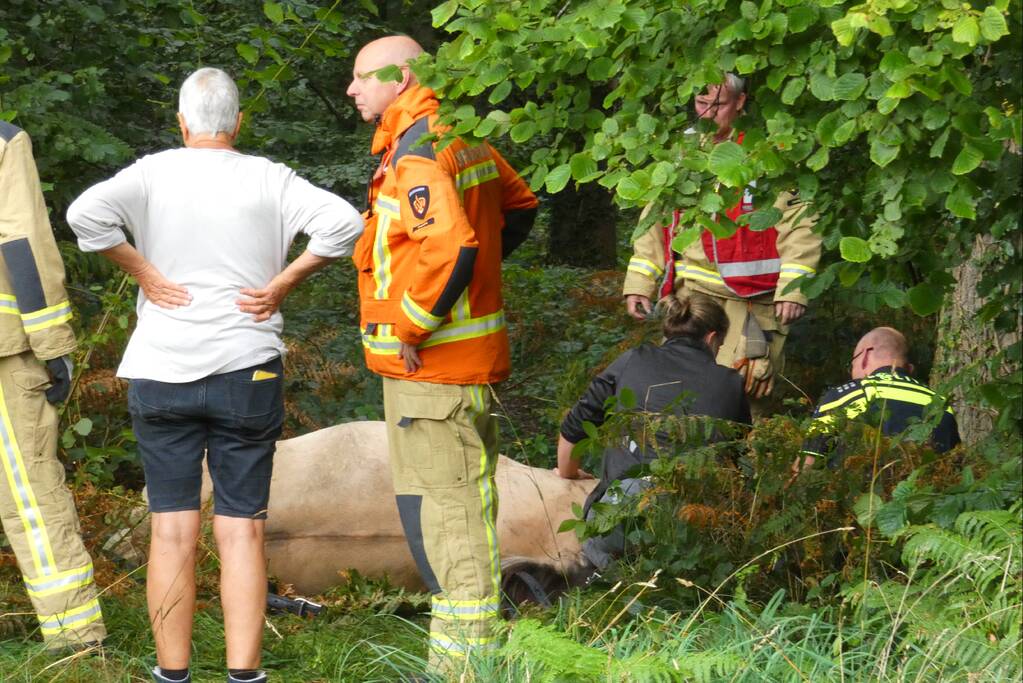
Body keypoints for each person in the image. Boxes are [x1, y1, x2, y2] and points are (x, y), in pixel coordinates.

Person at [67, 67, 363, 683]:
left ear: (181, 123)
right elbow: (344, 224)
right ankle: (243, 676)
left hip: (161, 369)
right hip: (246, 372)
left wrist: (142, 271)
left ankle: (172, 675)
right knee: (242, 534)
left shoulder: (150, 173)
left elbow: (83, 216)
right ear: (239, 123)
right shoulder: (269, 178)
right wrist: (282, 282)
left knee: (171, 533)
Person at [344, 35, 538, 675]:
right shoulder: (461, 135)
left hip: (431, 371)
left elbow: (454, 248)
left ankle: (463, 667)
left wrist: (415, 325)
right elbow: (519, 207)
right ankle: (469, 656)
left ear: (399, 79)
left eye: (362, 78)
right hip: (458, 367)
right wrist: (475, 288)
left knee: (449, 519)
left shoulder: (420, 152)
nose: (352, 89)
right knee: (459, 511)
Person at [622, 74, 821, 410]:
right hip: (688, 300)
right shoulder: (683, 152)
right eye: (701, 104)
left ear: (741, 102)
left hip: (750, 305)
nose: (708, 114)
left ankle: (734, 463)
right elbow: (655, 218)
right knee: (676, 393)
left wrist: (794, 287)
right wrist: (640, 282)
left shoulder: (771, 154)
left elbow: (800, 223)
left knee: (740, 397)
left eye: (719, 105)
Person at [0, 122, 107, 651]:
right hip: (4, 351)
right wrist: (53, 344)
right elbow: (23, 243)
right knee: (30, 494)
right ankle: (73, 638)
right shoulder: (2, 141)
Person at [556, 294, 751, 570]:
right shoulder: (730, 382)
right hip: (694, 528)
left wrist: (568, 473)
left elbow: (576, 425)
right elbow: (737, 463)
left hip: (619, 516)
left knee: (602, 563)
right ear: (711, 338)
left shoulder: (632, 360)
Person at [799, 326, 960, 469]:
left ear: (865, 356)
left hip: (861, 498)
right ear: (909, 369)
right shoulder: (940, 404)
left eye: (852, 364)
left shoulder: (848, 395)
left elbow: (807, 466)